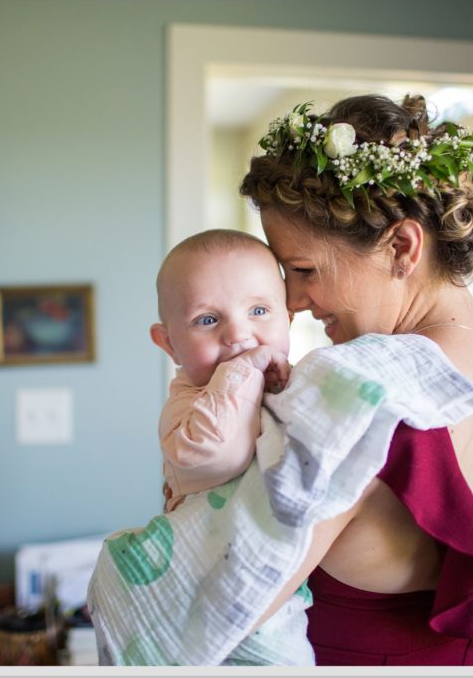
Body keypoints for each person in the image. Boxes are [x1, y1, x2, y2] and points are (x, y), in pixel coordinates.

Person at [238, 94, 473, 665]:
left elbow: (230, 612)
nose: (293, 301)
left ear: (402, 247)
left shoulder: (355, 394)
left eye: (303, 270)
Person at [146, 228, 314, 665]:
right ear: (169, 343)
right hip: (209, 584)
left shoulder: (290, 383)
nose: (238, 335)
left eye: (258, 310)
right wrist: (242, 372)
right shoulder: (187, 403)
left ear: (289, 319)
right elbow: (209, 455)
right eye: (207, 319)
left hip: (278, 585)